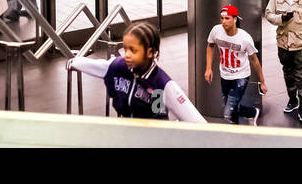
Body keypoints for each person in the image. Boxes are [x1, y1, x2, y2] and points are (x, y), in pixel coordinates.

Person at [67, 21, 204, 122]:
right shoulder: (119, 67)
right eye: (125, 49)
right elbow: (101, 67)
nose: (126, 54)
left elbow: (196, 121)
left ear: (150, 52)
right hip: (127, 133)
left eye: (133, 50)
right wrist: (74, 62)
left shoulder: (161, 84)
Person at [205, 4, 267, 124]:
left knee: (228, 112)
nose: (223, 22)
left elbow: (254, 60)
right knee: (230, 107)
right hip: (225, 75)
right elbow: (210, 46)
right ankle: (252, 113)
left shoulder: (245, 38)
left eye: (227, 18)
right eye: (222, 18)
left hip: (241, 77)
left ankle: (236, 128)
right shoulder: (216, 31)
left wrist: (262, 82)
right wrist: (208, 68)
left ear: (235, 19)